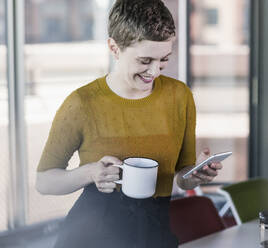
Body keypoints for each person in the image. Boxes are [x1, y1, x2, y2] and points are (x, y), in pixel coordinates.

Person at [35, 0, 223, 247]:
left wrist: (195, 175)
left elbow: (180, 176)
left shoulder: (180, 96)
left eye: (164, 59)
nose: (155, 72)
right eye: (145, 61)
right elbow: (44, 182)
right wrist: (91, 172)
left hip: (154, 235)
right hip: (90, 237)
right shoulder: (82, 103)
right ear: (114, 47)